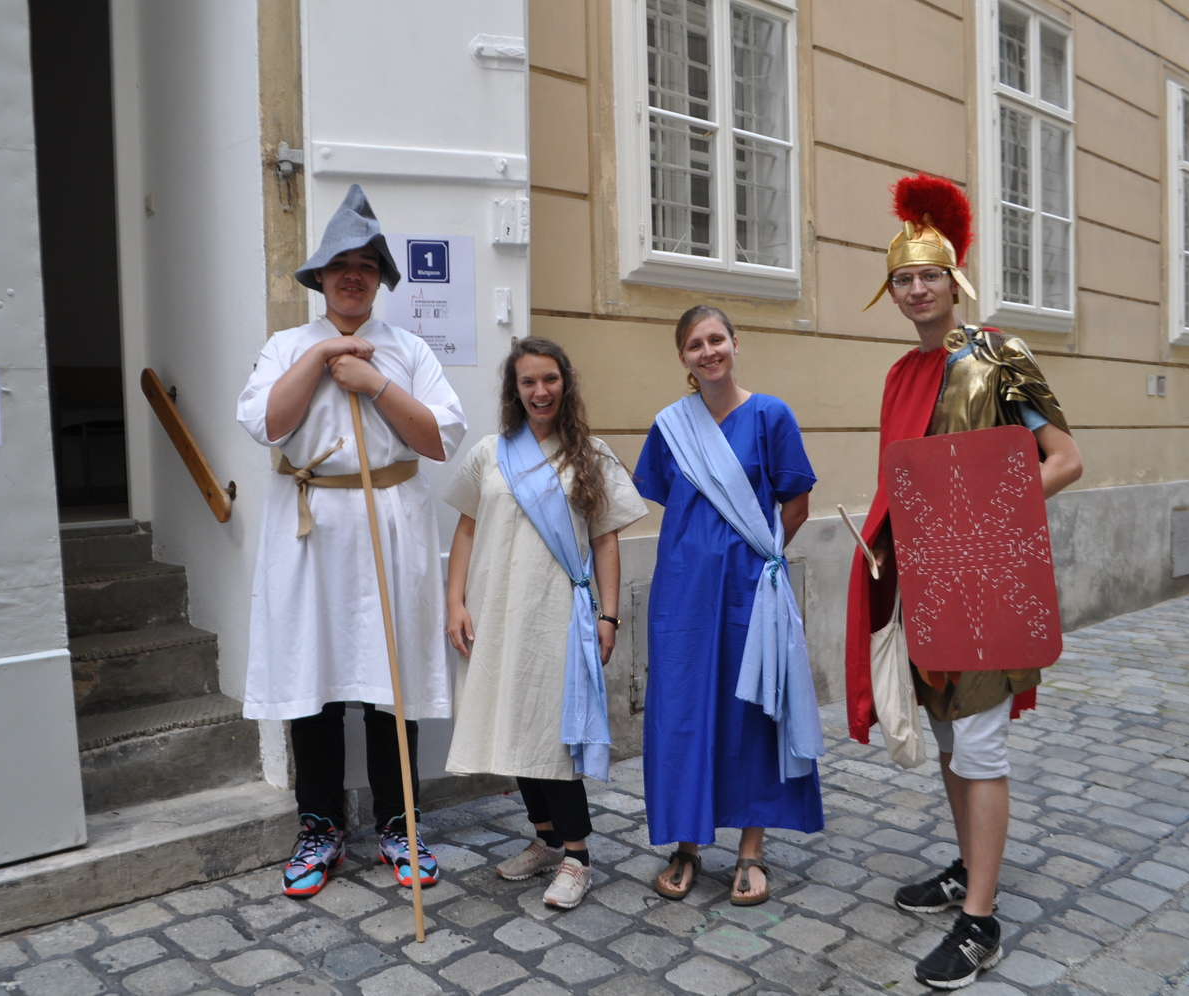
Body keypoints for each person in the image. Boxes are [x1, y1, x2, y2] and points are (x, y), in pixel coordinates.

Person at [847, 174, 1083, 988]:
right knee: (950, 738)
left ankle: (980, 923)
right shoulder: (901, 375)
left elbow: (1065, 460)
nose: (917, 289)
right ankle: (967, 869)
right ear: (892, 292)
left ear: (957, 282)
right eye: (903, 279)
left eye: (929, 275)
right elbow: (905, 486)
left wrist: (980, 523)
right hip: (923, 582)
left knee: (979, 745)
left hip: (984, 582)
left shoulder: (999, 355)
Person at [237, 183, 467, 898]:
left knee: (391, 682)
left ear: (380, 278)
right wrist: (323, 359)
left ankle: (401, 824)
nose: (353, 276)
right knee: (314, 679)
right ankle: (320, 827)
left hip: (389, 526)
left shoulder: (409, 350)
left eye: (367, 265)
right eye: (340, 264)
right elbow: (267, 425)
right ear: (320, 276)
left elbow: (439, 439)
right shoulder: (285, 347)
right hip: (309, 533)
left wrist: (372, 382)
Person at [442, 337, 646, 910]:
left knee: (553, 734)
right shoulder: (489, 453)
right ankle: (547, 840)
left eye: (549, 379)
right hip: (495, 611)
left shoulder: (592, 455)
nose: (539, 391)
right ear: (515, 389)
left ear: (566, 384)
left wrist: (608, 615)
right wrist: (455, 602)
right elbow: (466, 529)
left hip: (558, 614)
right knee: (512, 726)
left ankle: (577, 857)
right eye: (528, 381)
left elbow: (605, 541)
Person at [634, 305, 825, 908]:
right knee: (682, 709)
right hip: (682, 593)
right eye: (695, 344)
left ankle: (750, 848)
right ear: (683, 357)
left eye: (716, 339)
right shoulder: (670, 427)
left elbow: (796, 504)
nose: (708, 351)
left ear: (735, 344)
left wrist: (762, 559)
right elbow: (670, 498)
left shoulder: (771, 415)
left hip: (750, 591)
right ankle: (687, 843)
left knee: (752, 711)